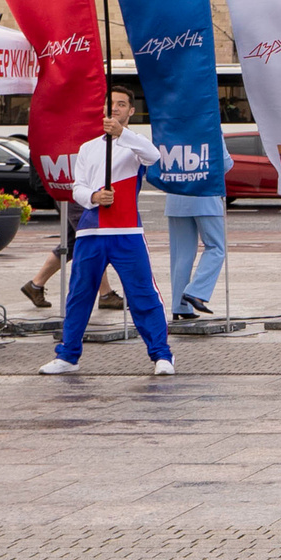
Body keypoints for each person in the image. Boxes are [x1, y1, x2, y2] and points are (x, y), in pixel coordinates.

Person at [39, 89, 178, 379]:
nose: (114, 109)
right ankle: (68, 355)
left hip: (127, 231)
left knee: (142, 294)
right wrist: (93, 196)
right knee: (79, 294)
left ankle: (162, 355)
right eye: (110, 104)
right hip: (91, 233)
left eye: (121, 105)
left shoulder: (135, 145)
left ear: (130, 112)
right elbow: (76, 188)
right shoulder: (89, 148)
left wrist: (122, 134)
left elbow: (153, 157)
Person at [166, 187, 227, 319]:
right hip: (206, 197)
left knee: (181, 254)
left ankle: (179, 306)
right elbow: (225, 166)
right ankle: (196, 292)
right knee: (216, 248)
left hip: (176, 199)